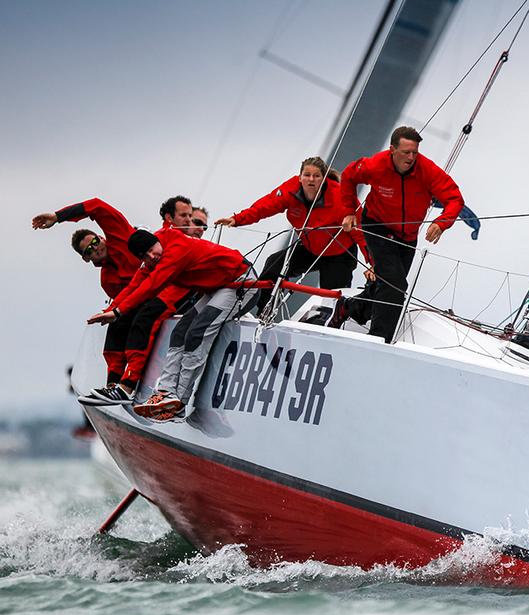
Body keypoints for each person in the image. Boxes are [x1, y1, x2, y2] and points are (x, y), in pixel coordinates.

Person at [31, 197, 197, 404]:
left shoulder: (120, 239)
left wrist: (58, 216)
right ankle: (113, 384)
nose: (95, 248)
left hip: (173, 284)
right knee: (118, 322)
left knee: (144, 316)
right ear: (86, 259)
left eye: (94, 242)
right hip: (147, 294)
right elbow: (127, 300)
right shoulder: (107, 279)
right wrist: (112, 312)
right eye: (88, 251)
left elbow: (97, 206)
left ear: (101, 237)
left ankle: (129, 385)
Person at [87, 229, 256, 421]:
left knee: (196, 334)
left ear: (157, 241)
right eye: (146, 256)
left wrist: (119, 312)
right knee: (179, 332)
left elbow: (152, 284)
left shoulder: (176, 248)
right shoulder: (153, 257)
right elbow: (135, 285)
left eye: (153, 249)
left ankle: (179, 403)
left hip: (241, 283)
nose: (153, 256)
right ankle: (165, 392)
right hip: (218, 288)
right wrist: (111, 310)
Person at [330, 126, 465, 342]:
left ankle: (349, 309)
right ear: (392, 149)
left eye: (415, 152)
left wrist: (441, 223)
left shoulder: (427, 170)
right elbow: (348, 176)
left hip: (408, 236)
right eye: (406, 152)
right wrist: (348, 212)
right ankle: (379, 340)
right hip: (377, 226)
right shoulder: (375, 165)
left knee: (387, 283)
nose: (411, 157)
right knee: (395, 285)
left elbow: (455, 198)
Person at [215, 156, 372, 314]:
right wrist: (236, 220)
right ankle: (264, 311)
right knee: (273, 265)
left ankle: (329, 327)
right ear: (300, 177)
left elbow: (362, 233)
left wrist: (373, 264)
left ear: (324, 179)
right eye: (307, 175)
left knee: (331, 299)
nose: (311, 179)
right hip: (309, 248)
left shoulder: (341, 198)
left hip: (339, 254)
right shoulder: (291, 189)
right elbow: (265, 206)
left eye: (316, 176)